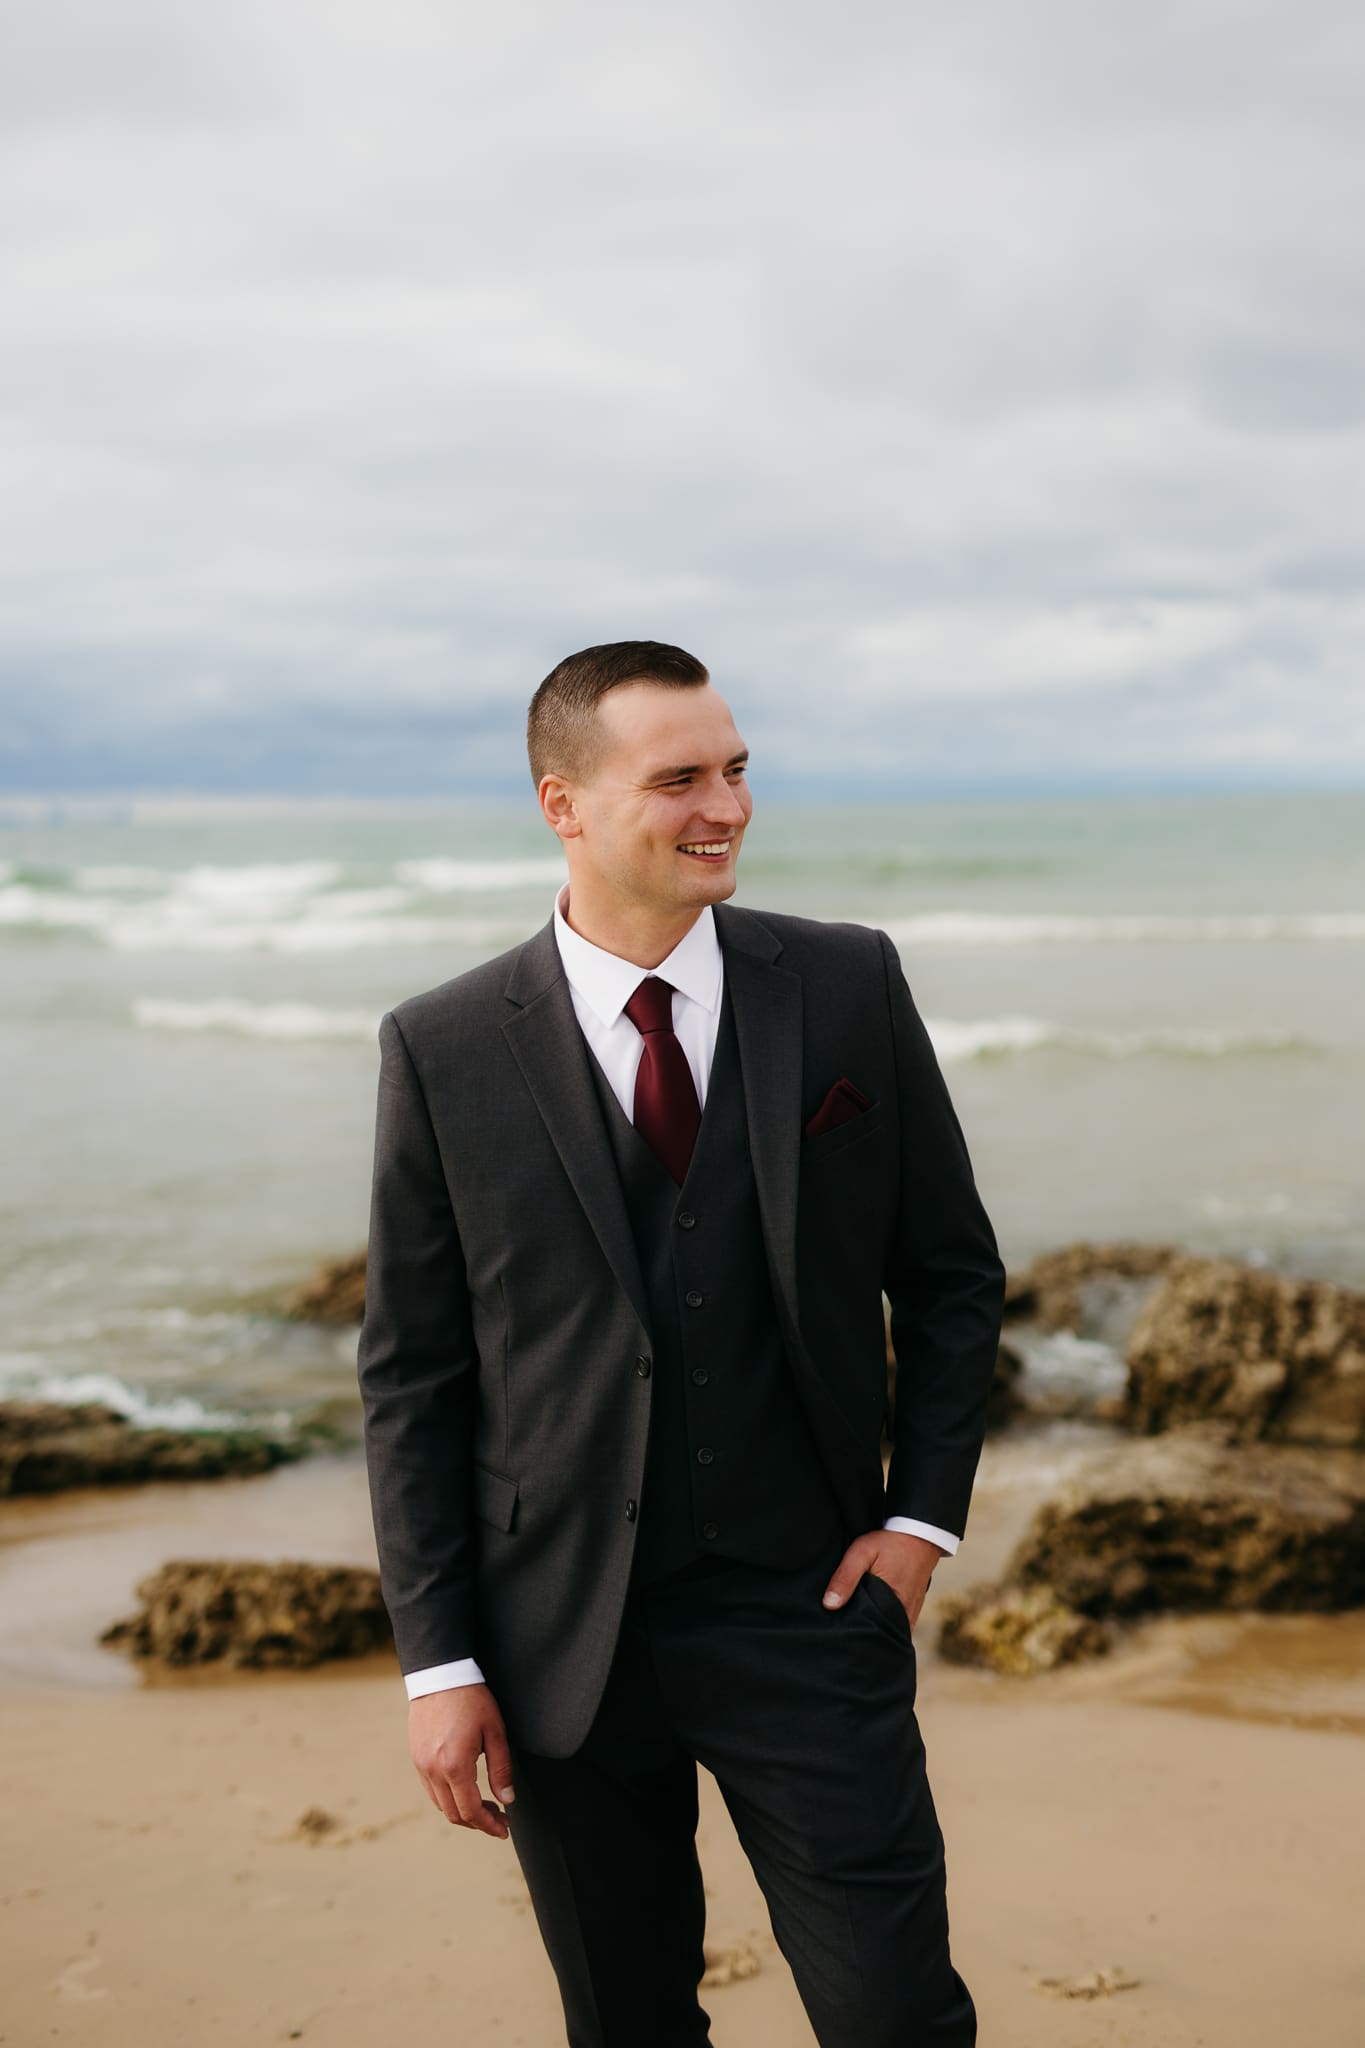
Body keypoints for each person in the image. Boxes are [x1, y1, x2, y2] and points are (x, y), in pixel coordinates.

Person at [356, 640, 1007, 2047]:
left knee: (896, 2015)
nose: (726, 806)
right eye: (680, 779)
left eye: (736, 770)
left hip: (813, 1605)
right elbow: (412, 1375)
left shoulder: (842, 986)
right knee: (628, 2025)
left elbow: (950, 1276)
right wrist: (440, 1663)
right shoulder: (445, 1047)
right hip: (559, 1640)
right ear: (563, 804)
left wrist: (919, 1524)